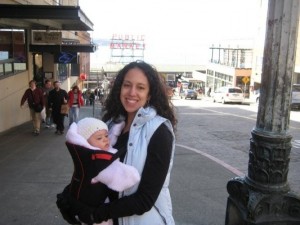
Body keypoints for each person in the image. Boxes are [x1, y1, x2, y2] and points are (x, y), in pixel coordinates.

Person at [58, 61, 177, 225]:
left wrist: (95, 215)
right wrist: (70, 196)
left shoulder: (159, 131)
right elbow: (92, 170)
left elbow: (145, 199)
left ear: (149, 94)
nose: (132, 92)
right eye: (127, 85)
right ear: (119, 88)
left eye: (141, 87)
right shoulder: (111, 126)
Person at [59, 117, 140, 225]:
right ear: (85, 142)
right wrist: (135, 174)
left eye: (106, 136)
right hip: (93, 211)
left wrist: (117, 128)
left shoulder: (84, 155)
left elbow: (111, 139)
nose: (106, 140)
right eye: (99, 138)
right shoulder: (97, 163)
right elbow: (123, 178)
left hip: (83, 204)